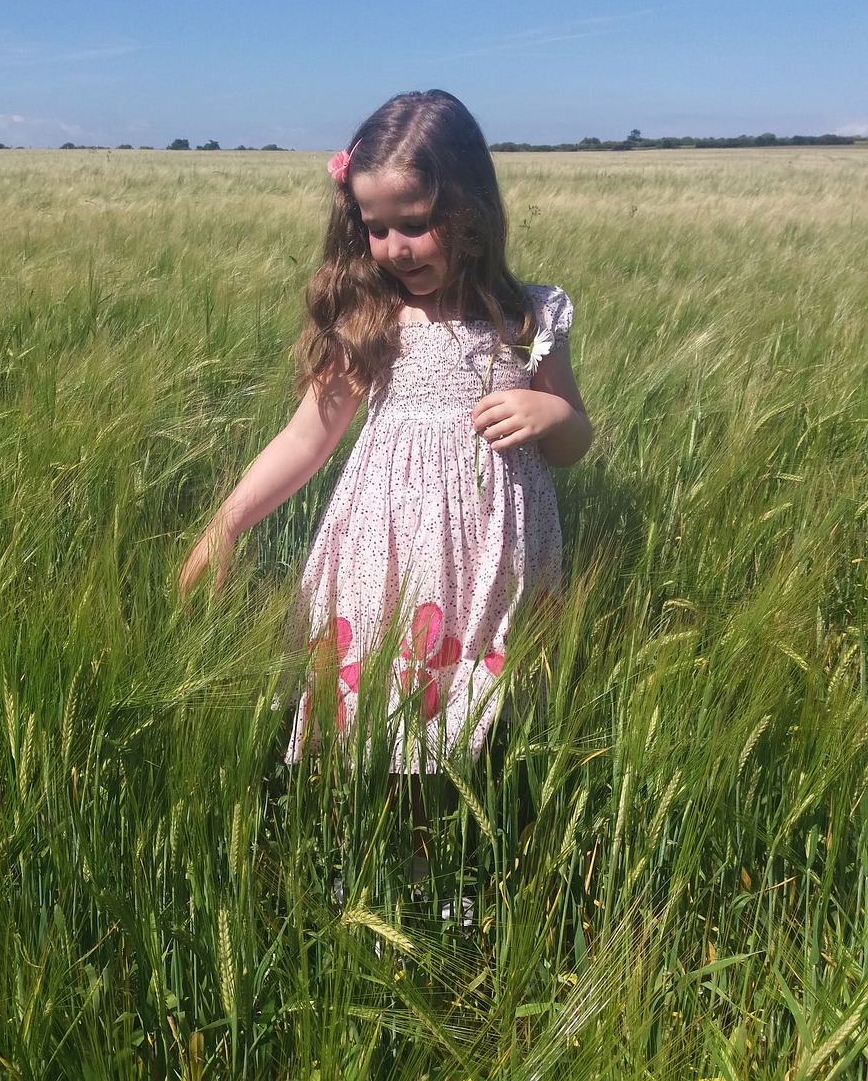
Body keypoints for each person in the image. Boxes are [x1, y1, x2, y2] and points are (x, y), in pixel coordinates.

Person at [179, 89, 592, 773]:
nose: (394, 248)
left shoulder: (530, 321)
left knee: (481, 735)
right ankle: (364, 857)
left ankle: (451, 866)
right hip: (387, 558)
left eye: (417, 222)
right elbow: (305, 440)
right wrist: (225, 524)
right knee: (378, 723)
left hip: (494, 567)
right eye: (376, 227)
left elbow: (574, 443)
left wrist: (554, 416)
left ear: (470, 208)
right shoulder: (368, 319)